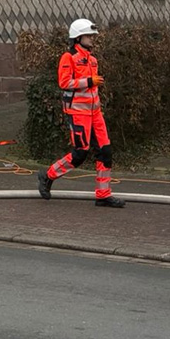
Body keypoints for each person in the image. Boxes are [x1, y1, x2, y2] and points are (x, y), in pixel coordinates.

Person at [35, 19, 125, 208]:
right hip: (78, 113)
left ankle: (103, 195)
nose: (92, 39)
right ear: (78, 37)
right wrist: (89, 81)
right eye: (89, 36)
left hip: (95, 113)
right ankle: (48, 175)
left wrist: (92, 86)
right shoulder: (68, 57)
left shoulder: (92, 59)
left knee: (105, 152)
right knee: (80, 154)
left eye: (92, 36)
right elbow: (64, 82)